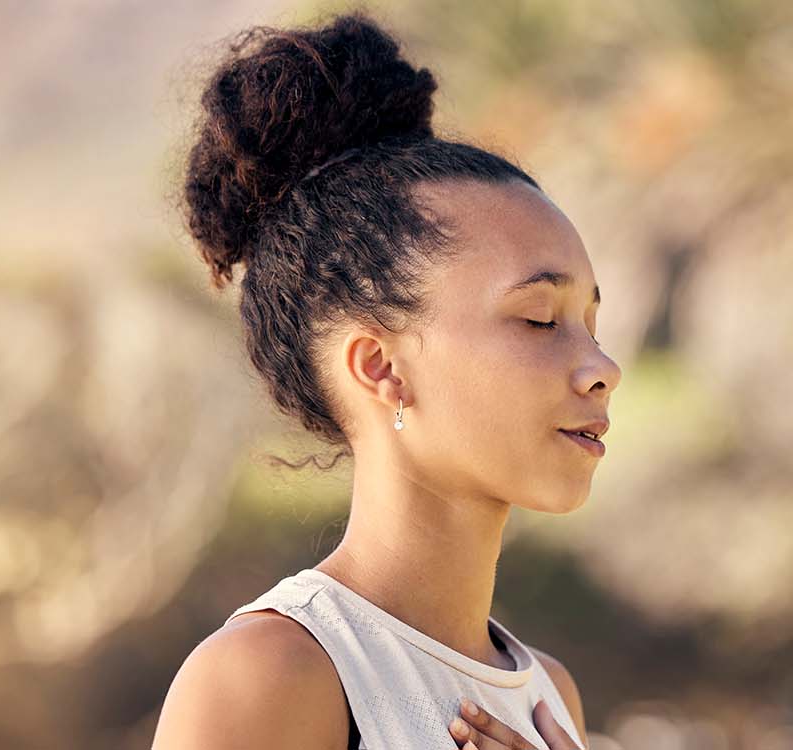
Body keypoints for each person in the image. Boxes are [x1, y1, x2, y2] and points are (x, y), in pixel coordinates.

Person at [151, 10, 619, 750]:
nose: (602, 368)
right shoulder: (271, 676)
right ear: (382, 369)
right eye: (538, 320)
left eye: (590, 324)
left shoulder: (547, 693)